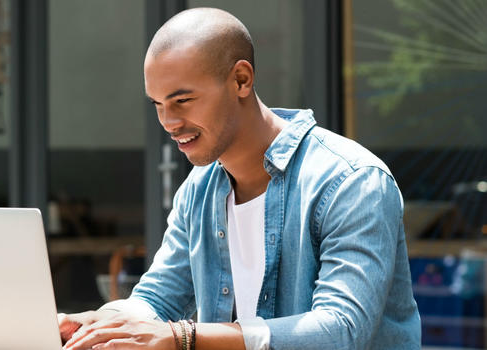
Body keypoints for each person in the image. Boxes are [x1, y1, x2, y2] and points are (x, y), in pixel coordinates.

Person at [59, 7, 421, 350]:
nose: (168, 122)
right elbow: (157, 299)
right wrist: (98, 323)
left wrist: (184, 337)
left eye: (183, 100)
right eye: (157, 104)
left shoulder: (351, 182)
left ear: (241, 80)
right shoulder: (199, 191)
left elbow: (342, 330)